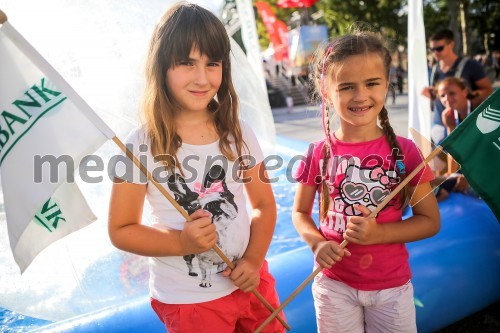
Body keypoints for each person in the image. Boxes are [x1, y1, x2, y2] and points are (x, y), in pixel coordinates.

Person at [108, 3, 284, 332]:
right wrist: (182, 243)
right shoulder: (139, 145)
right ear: (161, 67)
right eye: (187, 63)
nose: (202, 78)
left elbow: (263, 205)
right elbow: (121, 229)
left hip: (251, 283)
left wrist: (254, 260)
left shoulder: (240, 132)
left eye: (212, 63)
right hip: (191, 302)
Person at [292, 31, 440, 332]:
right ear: (326, 92)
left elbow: (429, 221)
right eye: (346, 87)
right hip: (333, 284)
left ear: (387, 83)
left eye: (371, 83)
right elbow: (299, 213)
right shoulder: (317, 153)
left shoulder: (406, 152)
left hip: (391, 288)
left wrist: (378, 234)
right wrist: (317, 243)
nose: (360, 96)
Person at [421, 29, 493, 144]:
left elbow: (488, 91)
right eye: (432, 49)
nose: (435, 53)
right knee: (442, 161)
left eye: (439, 48)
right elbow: (440, 96)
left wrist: (468, 95)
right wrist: (432, 95)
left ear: (451, 44)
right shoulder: (433, 70)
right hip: (439, 125)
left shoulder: (471, 65)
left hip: (465, 127)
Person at [434, 77, 481, 200]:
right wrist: (450, 129)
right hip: (463, 176)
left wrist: (468, 179)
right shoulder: (451, 118)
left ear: (465, 92)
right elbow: (452, 167)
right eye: (442, 96)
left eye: (452, 93)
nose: (447, 99)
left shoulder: (480, 114)